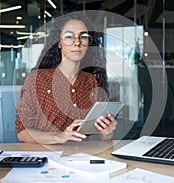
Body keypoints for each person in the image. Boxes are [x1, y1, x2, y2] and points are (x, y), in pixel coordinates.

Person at [15, 14, 117, 144]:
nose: (77, 42)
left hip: (79, 157)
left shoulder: (90, 81)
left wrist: (107, 132)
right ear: (59, 43)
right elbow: (22, 132)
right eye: (69, 36)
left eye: (83, 36)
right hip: (44, 156)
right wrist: (59, 137)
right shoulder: (37, 79)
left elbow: (102, 135)